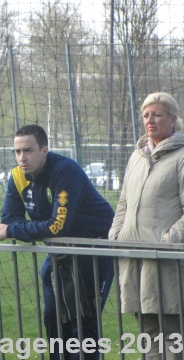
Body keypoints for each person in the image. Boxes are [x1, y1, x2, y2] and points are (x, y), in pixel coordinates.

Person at [0, 124, 115, 360]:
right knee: (53, 319)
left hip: (94, 251)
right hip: (59, 254)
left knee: (84, 325)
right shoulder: (17, 176)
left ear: (44, 150)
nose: (22, 158)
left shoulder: (65, 171)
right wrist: (15, 227)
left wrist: (13, 230)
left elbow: (57, 226)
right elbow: (8, 217)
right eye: (17, 152)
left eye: (28, 150)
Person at [109, 92, 184, 360]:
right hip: (133, 259)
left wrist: (166, 243)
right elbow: (123, 203)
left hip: (165, 263)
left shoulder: (181, 157)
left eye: (157, 114)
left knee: (172, 335)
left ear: (173, 119)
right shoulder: (136, 157)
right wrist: (117, 235)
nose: (150, 120)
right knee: (147, 334)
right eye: (146, 115)